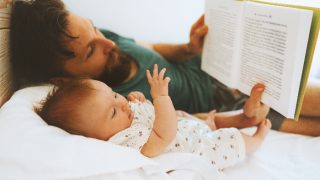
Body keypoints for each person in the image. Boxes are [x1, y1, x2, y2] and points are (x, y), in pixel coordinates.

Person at [10, 0, 320, 136]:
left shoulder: (104, 39)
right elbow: (184, 122)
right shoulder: (105, 104)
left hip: (218, 67)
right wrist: (240, 118)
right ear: (62, 78)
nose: (109, 44)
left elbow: (151, 49)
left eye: (95, 30)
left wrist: (189, 48)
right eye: (91, 50)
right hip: (232, 102)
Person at [35, 65, 272, 171]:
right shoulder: (125, 144)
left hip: (186, 127)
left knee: (197, 119)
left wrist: (139, 101)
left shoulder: (123, 118)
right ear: (97, 138)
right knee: (228, 139)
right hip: (198, 149)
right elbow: (162, 134)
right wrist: (159, 98)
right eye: (113, 111)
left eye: (115, 94)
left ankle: (239, 116)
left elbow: (145, 116)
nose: (121, 102)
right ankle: (255, 140)